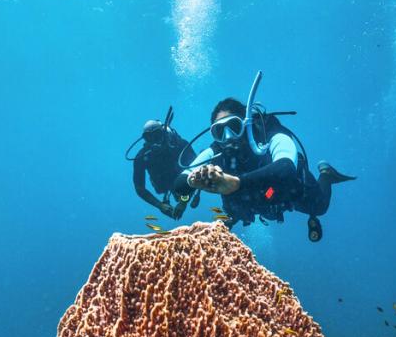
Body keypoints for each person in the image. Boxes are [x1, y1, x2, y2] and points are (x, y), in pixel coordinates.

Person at [174, 96, 354, 241]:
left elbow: (286, 168)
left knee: (320, 207)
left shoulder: (270, 135)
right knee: (235, 209)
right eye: (219, 131)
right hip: (258, 202)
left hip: (287, 192)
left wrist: (237, 183)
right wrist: (192, 180)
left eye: (234, 127)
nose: (228, 137)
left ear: (246, 123)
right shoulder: (216, 150)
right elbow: (180, 183)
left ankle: (326, 174)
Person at [128, 112, 197, 219]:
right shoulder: (141, 157)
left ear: (163, 133)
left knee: (184, 189)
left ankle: (182, 195)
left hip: (184, 181)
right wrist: (159, 205)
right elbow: (139, 188)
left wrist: (184, 202)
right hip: (164, 185)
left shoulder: (180, 145)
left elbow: (196, 172)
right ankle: (173, 195)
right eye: (149, 137)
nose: (154, 141)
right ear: (145, 139)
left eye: (157, 135)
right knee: (174, 191)